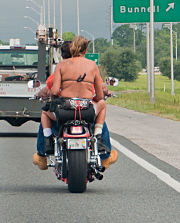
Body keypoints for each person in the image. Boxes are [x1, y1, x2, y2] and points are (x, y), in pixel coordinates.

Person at [33, 39, 117, 171]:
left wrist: (54, 100)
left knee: (45, 112)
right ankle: (99, 137)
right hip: (86, 110)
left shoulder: (61, 65)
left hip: (65, 110)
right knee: (102, 105)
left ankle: (47, 142)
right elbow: (100, 95)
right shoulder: (92, 65)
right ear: (85, 50)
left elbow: (54, 91)